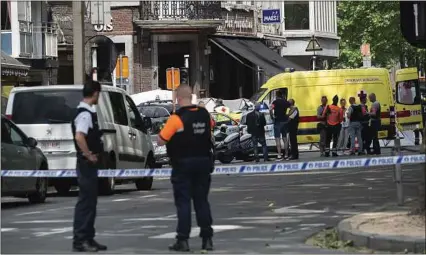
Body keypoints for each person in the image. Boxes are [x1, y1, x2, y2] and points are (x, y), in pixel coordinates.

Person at [158, 85, 214, 252]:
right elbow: (211, 126)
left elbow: (161, 140)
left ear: (178, 98)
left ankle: (183, 240)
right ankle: (207, 239)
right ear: (192, 96)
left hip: (183, 165)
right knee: (202, 201)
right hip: (204, 163)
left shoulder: (177, 118)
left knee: (183, 203)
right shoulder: (204, 114)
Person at [71, 79, 107, 252]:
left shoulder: (87, 112)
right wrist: (88, 154)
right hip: (86, 164)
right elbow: (79, 136)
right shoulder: (84, 114)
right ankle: (80, 240)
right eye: (98, 94)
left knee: (90, 202)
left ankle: (89, 238)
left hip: (88, 165)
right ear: (95, 93)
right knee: (86, 203)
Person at [270, 90, 290, 160]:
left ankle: (279, 155)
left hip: (277, 121)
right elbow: (293, 107)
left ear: (276, 95)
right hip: (284, 121)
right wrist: (288, 115)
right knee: (285, 139)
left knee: (277, 139)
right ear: (282, 95)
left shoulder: (274, 102)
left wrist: (272, 116)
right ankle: (286, 154)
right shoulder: (285, 102)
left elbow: (270, 109)